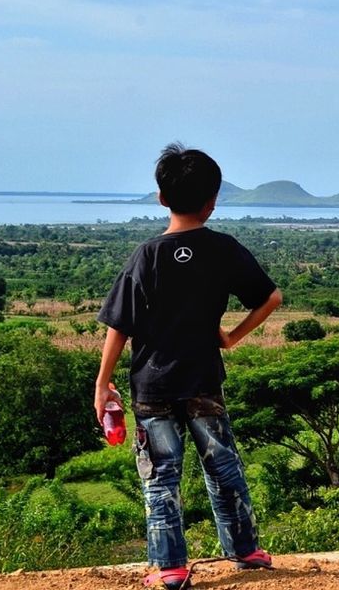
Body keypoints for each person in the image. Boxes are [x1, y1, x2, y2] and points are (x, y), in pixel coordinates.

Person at [94, 144, 283, 589]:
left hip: (152, 388)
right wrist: (231, 337)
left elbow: (119, 327)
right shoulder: (223, 249)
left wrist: (103, 384)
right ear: (212, 201)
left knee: (161, 477)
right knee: (223, 468)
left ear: (161, 198)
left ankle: (170, 568)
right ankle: (246, 550)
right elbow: (271, 298)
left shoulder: (147, 256)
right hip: (203, 381)